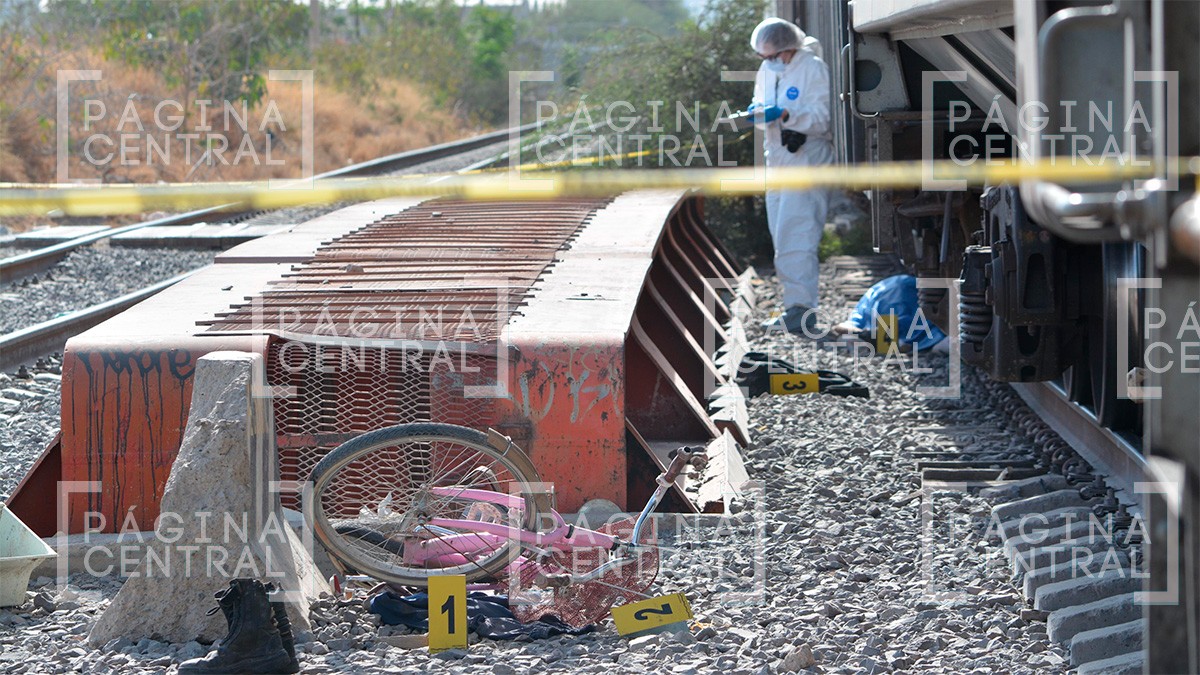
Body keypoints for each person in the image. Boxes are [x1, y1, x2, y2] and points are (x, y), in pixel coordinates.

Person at [747, 17, 832, 338]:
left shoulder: (813, 68)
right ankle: (794, 307)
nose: (769, 63)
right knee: (782, 236)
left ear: (789, 48)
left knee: (798, 236)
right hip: (779, 162)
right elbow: (760, 105)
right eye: (764, 58)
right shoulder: (769, 70)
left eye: (773, 56)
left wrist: (786, 115)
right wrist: (757, 113)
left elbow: (824, 119)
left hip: (806, 159)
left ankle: (801, 311)